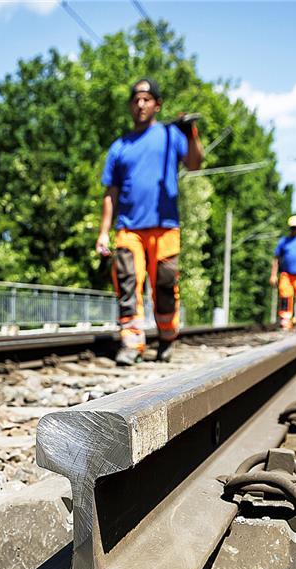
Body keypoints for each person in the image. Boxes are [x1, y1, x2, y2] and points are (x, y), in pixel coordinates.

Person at [95, 77, 204, 365]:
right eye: (135, 100)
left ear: (157, 104)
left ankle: (167, 338)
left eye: (146, 99)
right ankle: (132, 343)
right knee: (128, 284)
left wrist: (191, 132)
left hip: (165, 225)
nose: (140, 104)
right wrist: (103, 232)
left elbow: (194, 163)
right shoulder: (120, 147)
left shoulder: (171, 136)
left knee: (165, 287)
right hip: (129, 228)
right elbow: (111, 193)